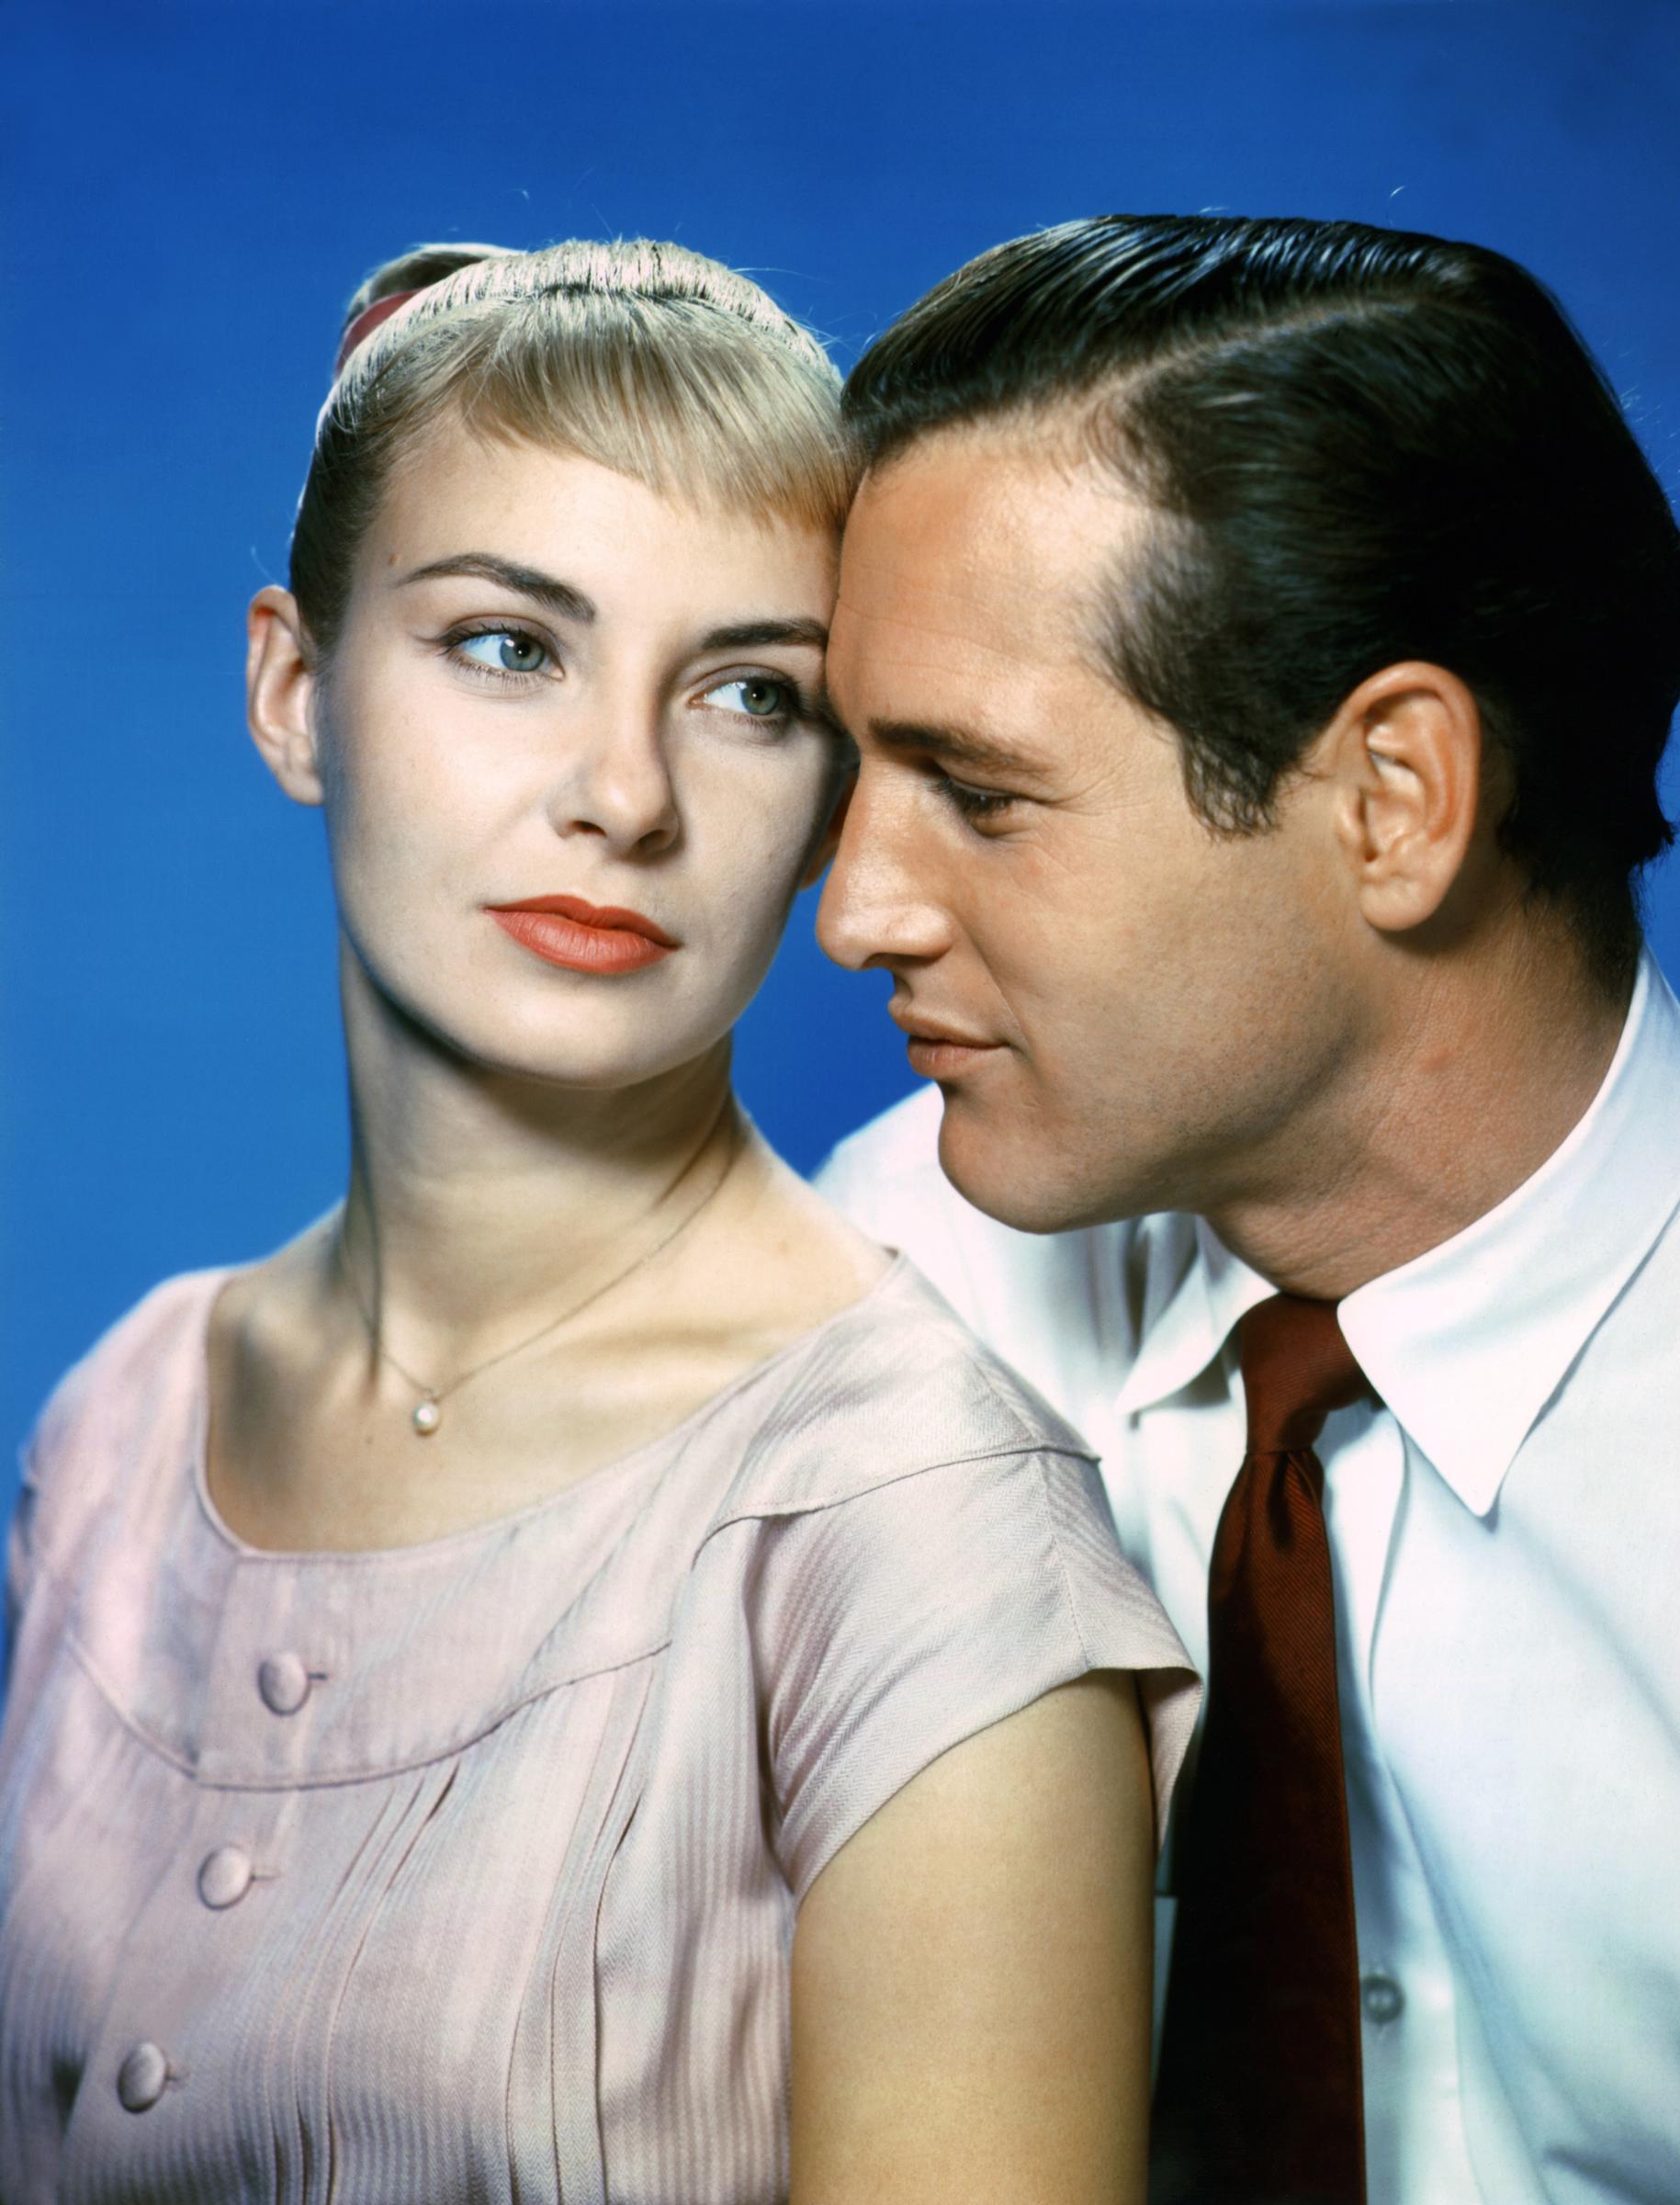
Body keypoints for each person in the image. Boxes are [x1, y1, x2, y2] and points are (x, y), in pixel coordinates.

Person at [0, 236, 1201, 2205]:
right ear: (293, 693)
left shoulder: (916, 1527)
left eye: (745, 694)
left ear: (830, 795)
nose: (622, 794)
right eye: (506, 645)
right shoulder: (127, 1419)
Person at [814, 214, 1680, 2205]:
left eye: (975, 792)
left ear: (1392, 799)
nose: (850, 912)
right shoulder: (888, 1281)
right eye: (849, 771)